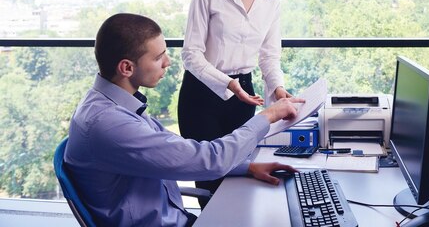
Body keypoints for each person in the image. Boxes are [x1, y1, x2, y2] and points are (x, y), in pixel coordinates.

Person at [64, 13, 304, 227]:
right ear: (126, 67)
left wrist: (248, 168)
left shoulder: (118, 103)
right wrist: (268, 115)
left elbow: (181, 152)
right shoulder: (109, 124)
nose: (168, 63)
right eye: (159, 57)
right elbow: (208, 160)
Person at [178, 0, 291, 199]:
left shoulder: (271, 3)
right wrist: (228, 83)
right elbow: (191, 54)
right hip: (202, 94)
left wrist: (278, 89)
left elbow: (269, 57)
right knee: (210, 177)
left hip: (244, 96)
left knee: (243, 177)